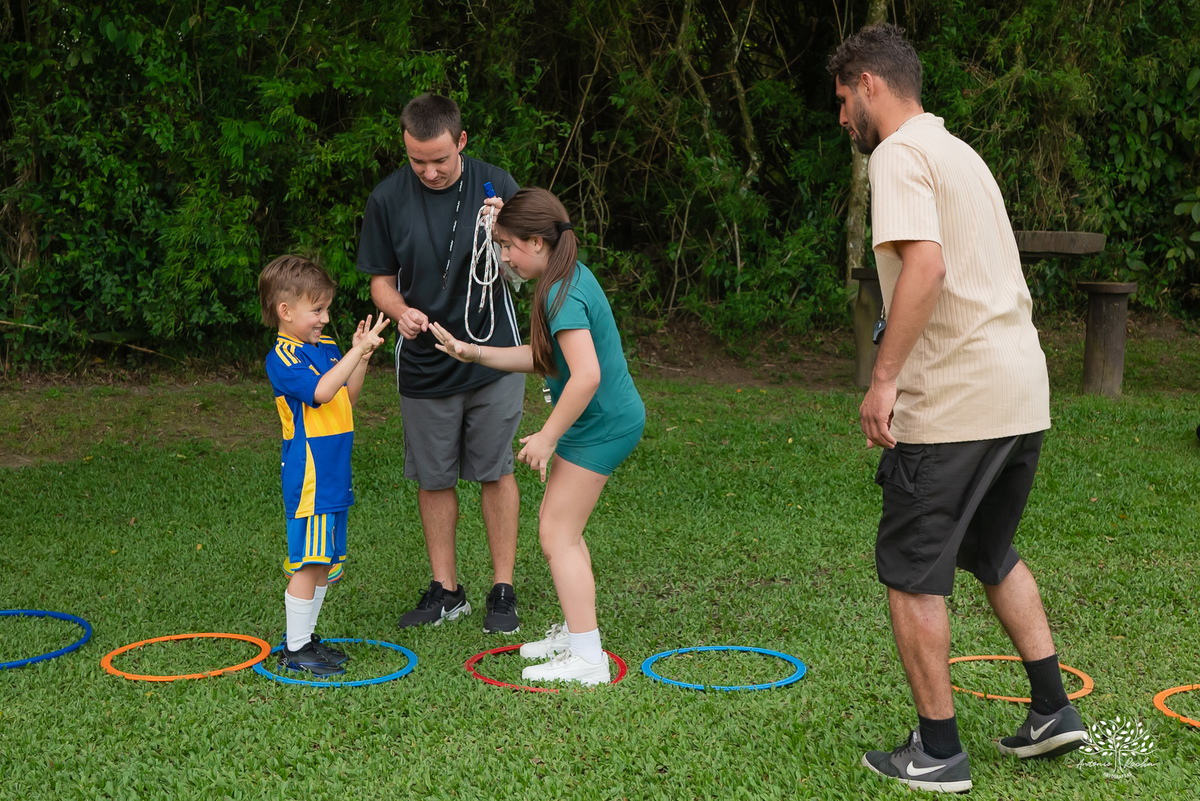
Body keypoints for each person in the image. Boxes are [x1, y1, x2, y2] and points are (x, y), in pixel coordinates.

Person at [827, 24, 1087, 794]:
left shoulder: (901, 156)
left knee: (911, 571)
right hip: (1019, 392)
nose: (842, 120)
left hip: (955, 402)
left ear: (871, 84)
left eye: (843, 103)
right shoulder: (959, 152)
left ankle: (937, 748)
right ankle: (1050, 708)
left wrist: (885, 379)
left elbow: (927, 267)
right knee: (990, 549)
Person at [431, 187, 645, 685]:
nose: (503, 257)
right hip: (596, 420)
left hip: (602, 424)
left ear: (537, 241)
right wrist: (475, 352)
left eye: (507, 246)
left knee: (556, 534)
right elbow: (549, 359)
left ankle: (588, 659)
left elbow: (586, 375)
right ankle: (577, 634)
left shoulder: (558, 291)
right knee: (561, 529)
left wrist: (548, 436)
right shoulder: (563, 276)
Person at [357, 93, 525, 634]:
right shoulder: (386, 198)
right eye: (417, 161)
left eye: (440, 160)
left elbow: (531, 267)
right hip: (425, 363)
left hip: (492, 354)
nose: (429, 171)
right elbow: (381, 281)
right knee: (434, 479)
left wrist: (503, 233)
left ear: (462, 142)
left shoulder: (497, 185)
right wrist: (401, 311)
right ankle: (447, 590)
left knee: (495, 472)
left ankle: (503, 590)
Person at [259, 255, 390, 676]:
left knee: (326, 563)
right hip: (310, 474)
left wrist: (361, 358)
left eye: (326, 309)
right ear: (286, 311)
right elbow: (318, 393)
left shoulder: (328, 348)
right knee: (309, 561)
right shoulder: (282, 358)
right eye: (317, 310)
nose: (325, 318)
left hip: (334, 472)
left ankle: (306, 639)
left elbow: (345, 397)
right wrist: (355, 352)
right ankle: (295, 649)